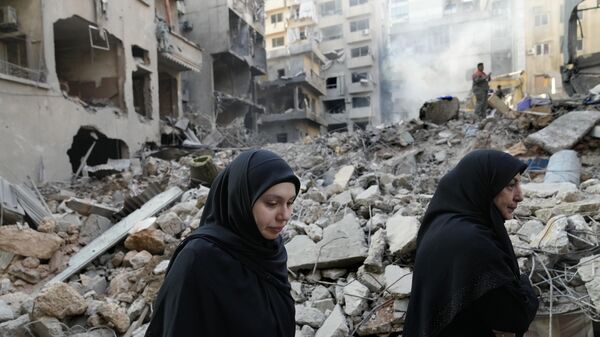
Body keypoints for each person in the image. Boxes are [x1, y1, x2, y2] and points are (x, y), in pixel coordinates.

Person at [145, 149, 300, 337]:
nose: (284, 216)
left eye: (290, 202)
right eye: (272, 203)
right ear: (241, 198)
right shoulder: (198, 260)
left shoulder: (270, 251)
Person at [403, 149, 539, 337]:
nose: (519, 196)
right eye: (510, 185)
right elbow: (516, 317)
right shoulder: (473, 243)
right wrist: (524, 284)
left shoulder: (441, 226)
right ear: (484, 186)